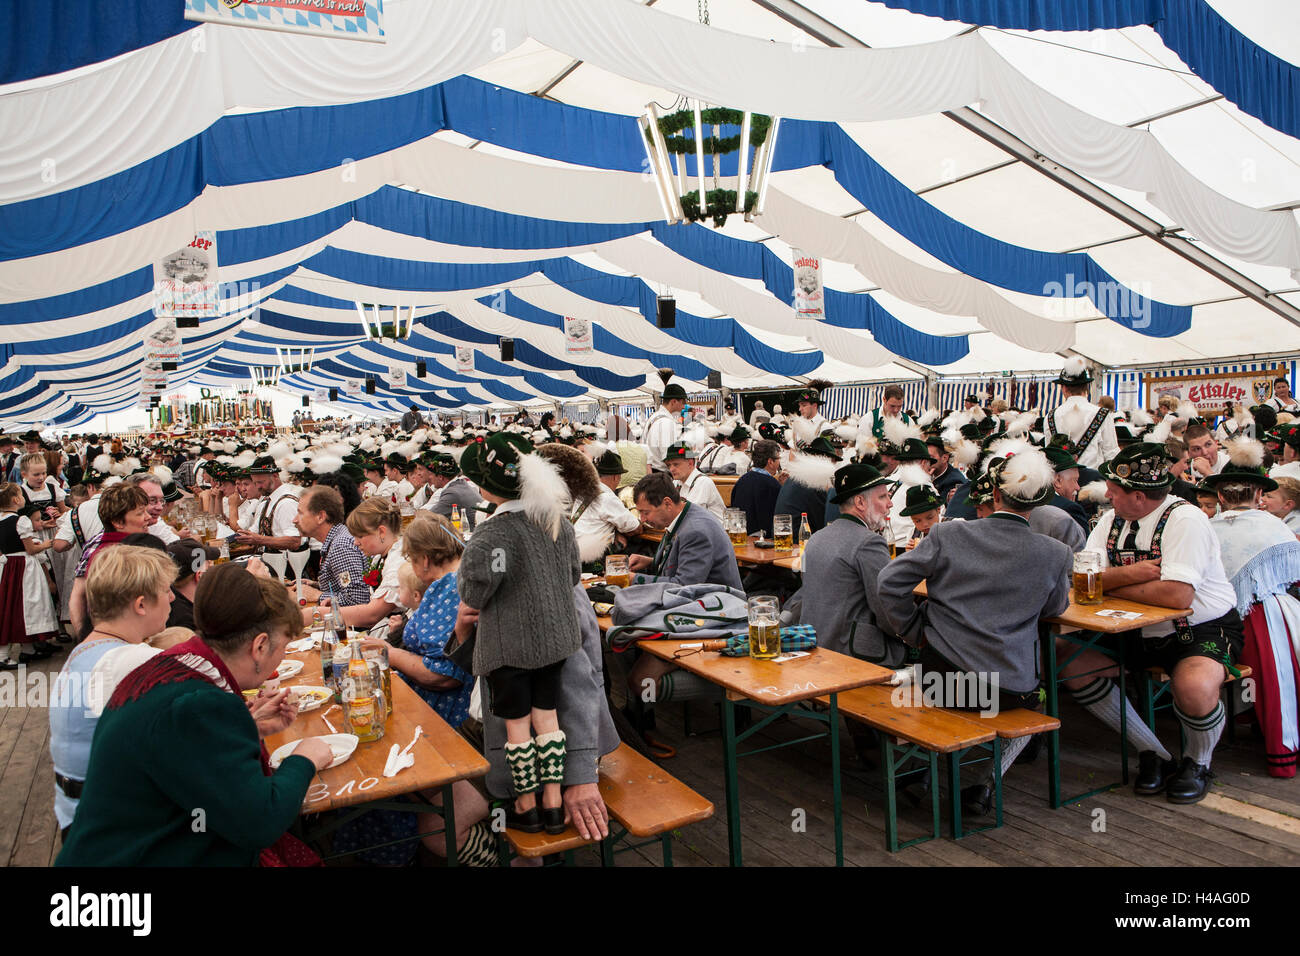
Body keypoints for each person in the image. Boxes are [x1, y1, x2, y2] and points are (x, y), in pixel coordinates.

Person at [56, 564, 334, 865]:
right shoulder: (201, 704)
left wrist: (248, 727)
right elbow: (259, 822)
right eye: (284, 646)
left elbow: (182, 759)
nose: (282, 655)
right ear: (260, 645)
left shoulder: (175, 663)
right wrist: (305, 758)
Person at [877, 446, 1072, 816]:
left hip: (944, 682)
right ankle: (984, 783)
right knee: (1040, 700)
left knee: (925, 691)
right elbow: (1055, 609)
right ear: (1036, 504)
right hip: (1009, 689)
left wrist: (915, 629)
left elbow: (888, 582)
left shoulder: (947, 535)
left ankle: (925, 772)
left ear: (994, 494)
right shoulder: (1055, 552)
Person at [1061, 442, 1240, 804]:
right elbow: (1081, 581)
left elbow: (1177, 597)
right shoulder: (1111, 520)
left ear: (1139, 497)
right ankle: (1154, 751)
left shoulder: (1186, 519)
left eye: (1113, 490)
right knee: (1068, 661)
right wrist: (1137, 573)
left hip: (1196, 629)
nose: (1106, 495)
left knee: (1193, 687)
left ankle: (1197, 762)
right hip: (1128, 627)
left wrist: (1112, 581)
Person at [457, 433, 581, 834]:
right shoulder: (555, 520)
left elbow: (475, 593)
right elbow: (574, 575)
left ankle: (526, 807)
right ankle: (554, 803)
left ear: (485, 486)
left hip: (510, 643)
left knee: (516, 725)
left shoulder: (493, 533)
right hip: (556, 638)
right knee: (547, 717)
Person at [49, 546, 176, 838]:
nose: (172, 597)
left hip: (77, 814)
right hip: (116, 826)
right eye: (166, 590)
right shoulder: (132, 660)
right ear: (141, 605)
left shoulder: (85, 650)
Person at [1203, 439, 1300, 777]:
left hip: (1212, 621)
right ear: (1259, 495)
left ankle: (1236, 722)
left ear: (1220, 496)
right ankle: (1280, 750)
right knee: (1277, 680)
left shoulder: (1205, 528)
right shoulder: (1274, 526)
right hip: (1262, 619)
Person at [627, 473, 743, 590]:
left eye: (646, 512)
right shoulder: (684, 515)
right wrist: (651, 562)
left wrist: (634, 579)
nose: (642, 519)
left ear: (667, 503)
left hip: (720, 603)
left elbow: (684, 586)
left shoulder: (696, 531)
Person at [67, 484, 152, 641]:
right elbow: (78, 596)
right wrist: (85, 638)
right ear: (118, 522)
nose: (148, 517)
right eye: (141, 513)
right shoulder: (108, 552)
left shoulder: (104, 540)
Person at [0, 482, 61, 667]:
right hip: (24, 566)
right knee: (27, 606)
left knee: (15, 605)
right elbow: (31, 549)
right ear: (16, 499)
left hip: (8, 565)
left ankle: (27, 649)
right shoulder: (21, 521)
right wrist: (48, 543)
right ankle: (8, 654)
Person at [293, 485, 370, 618]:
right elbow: (345, 586)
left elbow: (358, 599)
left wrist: (318, 595)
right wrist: (316, 585)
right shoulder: (336, 539)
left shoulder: (340, 546)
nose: (294, 520)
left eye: (300, 513)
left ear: (320, 517)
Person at [340, 496, 410, 629]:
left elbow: (372, 614)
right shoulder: (380, 557)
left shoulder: (399, 560)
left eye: (360, 536)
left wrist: (318, 614)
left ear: (381, 532)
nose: (355, 542)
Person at [1046, 358, 1118, 469]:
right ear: (1086, 387)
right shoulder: (1102, 414)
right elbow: (1111, 454)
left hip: (1062, 483)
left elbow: (1050, 455)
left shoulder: (1050, 417)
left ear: (1064, 388)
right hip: (1093, 483)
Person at [233, 456, 303, 554]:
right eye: (255, 483)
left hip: (285, 565)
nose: (258, 487)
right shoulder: (266, 501)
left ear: (275, 476)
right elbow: (253, 532)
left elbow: (295, 541)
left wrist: (260, 539)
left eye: (261, 482)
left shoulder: (286, 503)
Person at [731, 439, 783, 539]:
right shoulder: (772, 485)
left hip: (740, 537)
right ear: (770, 462)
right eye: (778, 459)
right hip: (762, 541)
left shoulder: (742, 480)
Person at [664, 441, 726, 521]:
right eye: (669, 465)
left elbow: (688, 515)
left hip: (710, 532)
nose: (671, 469)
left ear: (690, 463)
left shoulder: (703, 482)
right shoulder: (676, 482)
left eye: (676, 464)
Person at [163, 537, 215, 630]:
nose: (212, 564)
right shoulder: (190, 621)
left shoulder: (168, 606)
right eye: (209, 566)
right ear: (199, 576)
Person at [421, 454, 480, 530]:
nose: (429, 477)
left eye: (431, 474)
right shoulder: (460, 484)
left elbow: (426, 518)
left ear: (440, 477)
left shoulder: (452, 493)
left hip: (469, 538)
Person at [644, 370, 686, 474]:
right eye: (682, 402)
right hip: (662, 475)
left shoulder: (653, 417)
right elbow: (668, 456)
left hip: (651, 471)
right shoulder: (666, 423)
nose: (683, 406)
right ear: (674, 402)